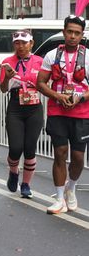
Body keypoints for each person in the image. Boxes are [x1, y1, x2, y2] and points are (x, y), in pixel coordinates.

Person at [36, 15, 89, 214]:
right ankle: (59, 198)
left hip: (82, 113)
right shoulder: (52, 55)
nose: (72, 36)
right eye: (69, 32)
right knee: (59, 153)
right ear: (64, 31)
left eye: (77, 33)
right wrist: (58, 96)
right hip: (57, 111)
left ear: (82, 35)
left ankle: (71, 188)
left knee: (78, 157)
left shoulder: (88, 56)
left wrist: (80, 98)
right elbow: (40, 83)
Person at [0, 30, 43, 199]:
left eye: (24, 43)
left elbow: (46, 84)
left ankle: (26, 184)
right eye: (17, 43)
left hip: (34, 107)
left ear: (31, 43)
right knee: (16, 147)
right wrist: (7, 78)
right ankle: (13, 172)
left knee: (30, 148)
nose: (21, 46)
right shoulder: (7, 62)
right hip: (15, 106)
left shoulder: (39, 61)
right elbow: (3, 89)